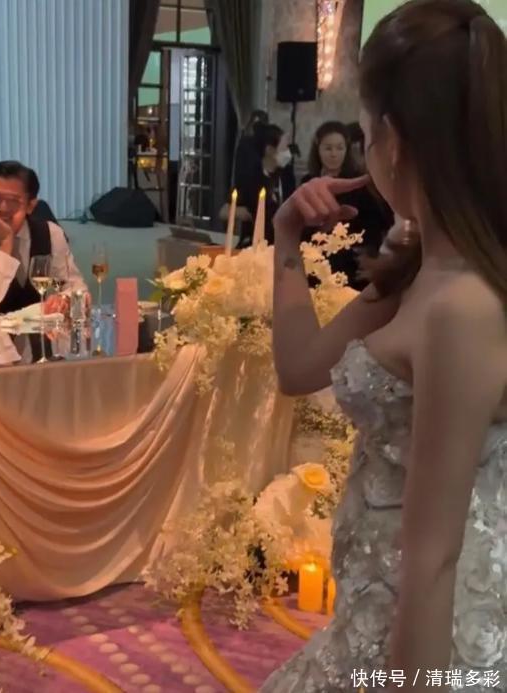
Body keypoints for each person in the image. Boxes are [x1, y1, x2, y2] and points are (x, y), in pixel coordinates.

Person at [265, 0, 506, 690]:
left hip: (429, 640)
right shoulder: (419, 263)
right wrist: (287, 238)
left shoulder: (463, 306)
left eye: (365, 131)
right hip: (376, 612)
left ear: (392, 139)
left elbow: (433, 559)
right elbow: (299, 368)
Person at [0, 161, 87, 314]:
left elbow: (77, 287)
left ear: (30, 205)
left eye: (13, 200)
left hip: (36, 327)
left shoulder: (50, 232)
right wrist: (5, 242)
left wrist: (64, 299)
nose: (2, 208)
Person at [302, 121, 394, 290]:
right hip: (316, 260)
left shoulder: (358, 183)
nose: (334, 154)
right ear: (318, 149)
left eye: (339, 148)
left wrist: (369, 251)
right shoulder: (308, 182)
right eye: (328, 148)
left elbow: (375, 223)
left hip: (349, 263)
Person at [235, 122, 296, 247]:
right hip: (256, 243)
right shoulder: (251, 178)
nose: (288, 152)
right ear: (269, 150)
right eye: (284, 148)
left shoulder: (287, 175)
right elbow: (226, 210)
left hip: (284, 241)